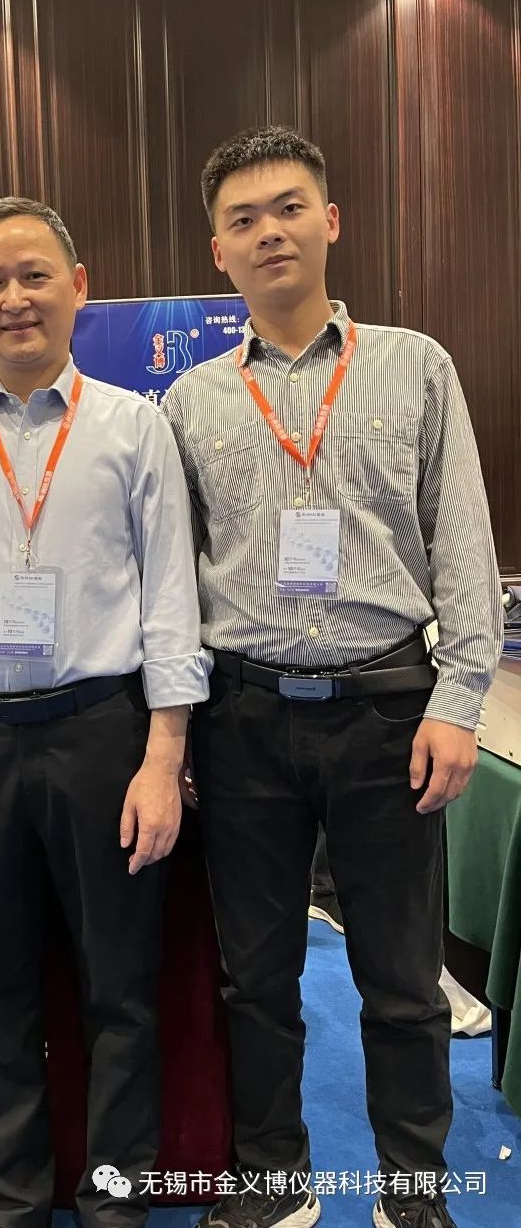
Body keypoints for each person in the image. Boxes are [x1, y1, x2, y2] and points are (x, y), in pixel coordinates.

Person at [161, 127, 502, 1228]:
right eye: (244, 218)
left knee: (400, 981)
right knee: (254, 980)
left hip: (387, 713)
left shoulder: (416, 365)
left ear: (331, 221)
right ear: (218, 250)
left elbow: (463, 546)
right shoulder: (190, 401)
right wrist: (178, 730)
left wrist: (459, 702)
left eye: (290, 207)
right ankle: (275, 1182)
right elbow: (172, 581)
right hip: (244, 716)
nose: (270, 231)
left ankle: (412, 1193)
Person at [0, 196, 210, 1228]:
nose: (15, 298)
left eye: (35, 275)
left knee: (120, 989)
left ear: (79, 286)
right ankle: (13, 1203)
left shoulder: (134, 427)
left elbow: (170, 604)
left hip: (103, 734)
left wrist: (162, 758)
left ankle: (113, 1206)